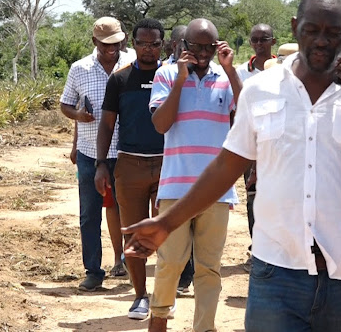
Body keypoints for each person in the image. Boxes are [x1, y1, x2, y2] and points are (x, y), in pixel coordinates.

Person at [124, 0, 341, 332]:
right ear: (294, 27)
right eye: (312, 31)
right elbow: (226, 166)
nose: (322, 41)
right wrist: (167, 223)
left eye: (334, 33)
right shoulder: (261, 90)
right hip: (276, 275)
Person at [143, 18, 242, 332]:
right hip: (176, 187)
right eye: (195, 46)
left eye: (208, 47)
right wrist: (181, 80)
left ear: (217, 47)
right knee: (170, 261)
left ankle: (204, 327)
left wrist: (230, 70)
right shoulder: (167, 74)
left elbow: (249, 116)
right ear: (181, 47)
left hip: (217, 190)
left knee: (209, 268)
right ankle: (159, 317)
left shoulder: (225, 78)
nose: (201, 53)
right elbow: (161, 124)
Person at [94, 18, 166, 320]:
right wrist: (100, 165)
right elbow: (107, 124)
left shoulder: (172, 76)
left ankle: (165, 295)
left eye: (154, 43)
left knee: (168, 234)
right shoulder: (120, 80)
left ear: (164, 45)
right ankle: (140, 297)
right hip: (130, 165)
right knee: (134, 234)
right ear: (131, 44)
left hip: (168, 164)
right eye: (142, 43)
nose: (148, 49)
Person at [60, 16, 135, 291]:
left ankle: (129, 263)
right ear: (95, 42)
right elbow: (65, 104)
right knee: (89, 214)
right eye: (105, 45)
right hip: (90, 153)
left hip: (128, 152)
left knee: (129, 212)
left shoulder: (134, 63)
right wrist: (78, 115)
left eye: (116, 43)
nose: (111, 49)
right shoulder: (79, 68)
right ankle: (93, 271)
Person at [234, 24, 277, 262]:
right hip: (251, 143)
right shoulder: (241, 72)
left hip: (277, 143)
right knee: (253, 197)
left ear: (273, 41)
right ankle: (257, 250)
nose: (259, 44)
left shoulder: (282, 70)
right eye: (255, 40)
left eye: (264, 39)